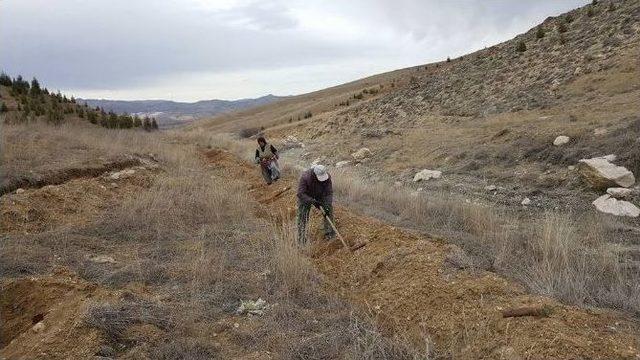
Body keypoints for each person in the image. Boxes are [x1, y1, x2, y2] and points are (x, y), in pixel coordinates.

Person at [297, 164, 335, 244]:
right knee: (303, 215)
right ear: (315, 174)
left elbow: (328, 192)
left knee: (329, 210)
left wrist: (327, 205)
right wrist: (312, 201)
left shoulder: (327, 177)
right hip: (306, 196)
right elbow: (300, 194)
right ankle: (301, 238)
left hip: (319, 194)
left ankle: (329, 233)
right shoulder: (306, 177)